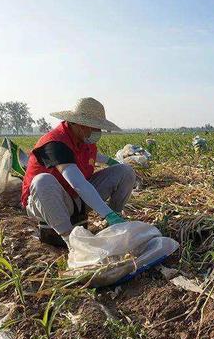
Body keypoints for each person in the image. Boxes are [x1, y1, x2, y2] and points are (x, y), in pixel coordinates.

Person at [21, 97, 136, 248]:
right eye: (95, 127)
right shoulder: (55, 143)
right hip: (49, 202)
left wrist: (112, 162)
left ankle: (114, 223)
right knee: (42, 181)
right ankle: (72, 241)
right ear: (80, 125)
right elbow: (77, 183)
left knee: (125, 171)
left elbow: (95, 156)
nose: (98, 132)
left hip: (76, 200)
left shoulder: (84, 140)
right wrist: (105, 212)